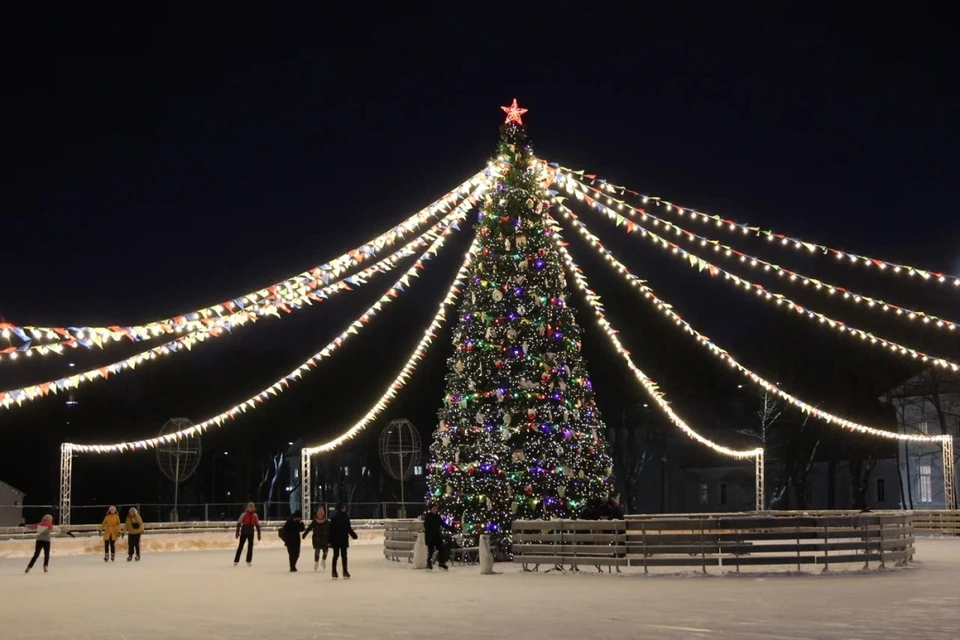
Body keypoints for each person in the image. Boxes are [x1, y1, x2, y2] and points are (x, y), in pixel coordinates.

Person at [328, 503, 357, 579]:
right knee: (342, 555)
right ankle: (343, 571)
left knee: (336, 555)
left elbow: (330, 530)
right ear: (341, 508)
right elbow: (348, 528)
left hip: (337, 539)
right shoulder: (342, 517)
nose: (345, 508)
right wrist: (353, 535)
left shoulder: (336, 517)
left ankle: (335, 571)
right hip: (341, 539)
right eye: (344, 507)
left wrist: (329, 541)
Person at [422, 503, 451, 570]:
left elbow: (442, 524)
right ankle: (429, 563)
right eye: (434, 508)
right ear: (431, 509)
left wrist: (450, 528)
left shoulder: (438, 516)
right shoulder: (428, 517)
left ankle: (441, 562)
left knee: (441, 549)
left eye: (436, 508)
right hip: (430, 536)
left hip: (437, 536)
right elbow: (426, 526)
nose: (435, 510)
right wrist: (431, 530)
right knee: (431, 551)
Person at [302, 507, 331, 571]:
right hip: (316, 538)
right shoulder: (314, 522)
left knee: (325, 551)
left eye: (321, 514)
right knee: (317, 551)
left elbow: (331, 530)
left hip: (325, 539)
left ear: (323, 515)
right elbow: (309, 528)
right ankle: (316, 562)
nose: (320, 515)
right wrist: (305, 534)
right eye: (319, 514)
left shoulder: (327, 522)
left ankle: (323, 560)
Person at [234, 502, 261, 566]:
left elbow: (257, 525)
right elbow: (239, 523)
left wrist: (259, 534)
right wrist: (237, 532)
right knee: (240, 546)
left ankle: (248, 561)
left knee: (250, 547)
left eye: (252, 507)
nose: (250, 508)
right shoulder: (244, 514)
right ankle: (236, 561)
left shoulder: (255, 515)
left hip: (251, 533)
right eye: (249, 507)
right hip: (244, 532)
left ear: (253, 508)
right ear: (247, 507)